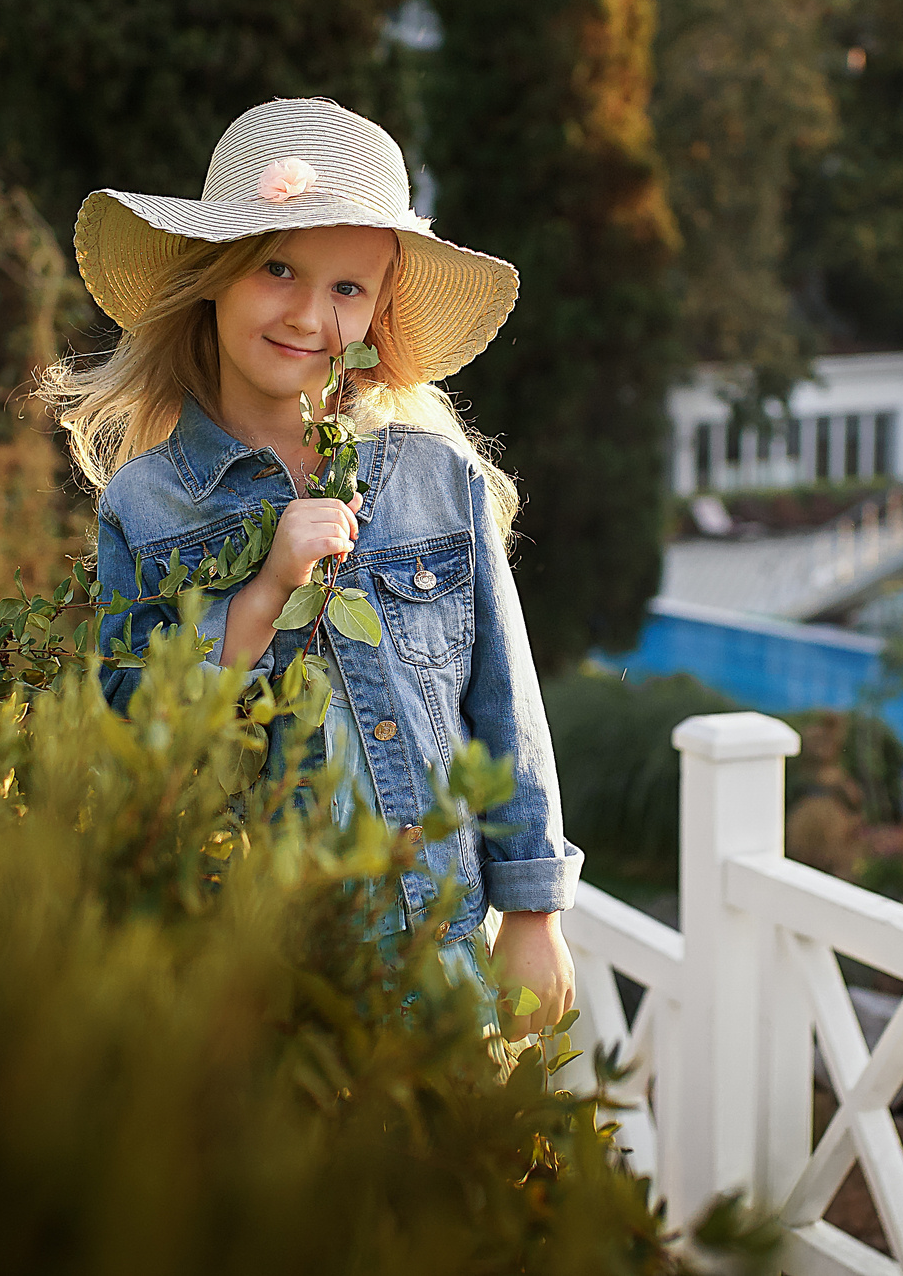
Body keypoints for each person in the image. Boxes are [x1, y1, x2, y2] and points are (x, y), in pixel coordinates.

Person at [42, 98, 579, 1036]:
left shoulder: (433, 482)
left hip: (432, 966)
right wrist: (261, 596)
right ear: (212, 278)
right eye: (277, 267)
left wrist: (531, 912)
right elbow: (133, 732)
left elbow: (507, 707)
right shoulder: (148, 506)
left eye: (347, 288)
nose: (308, 314)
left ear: (377, 312)